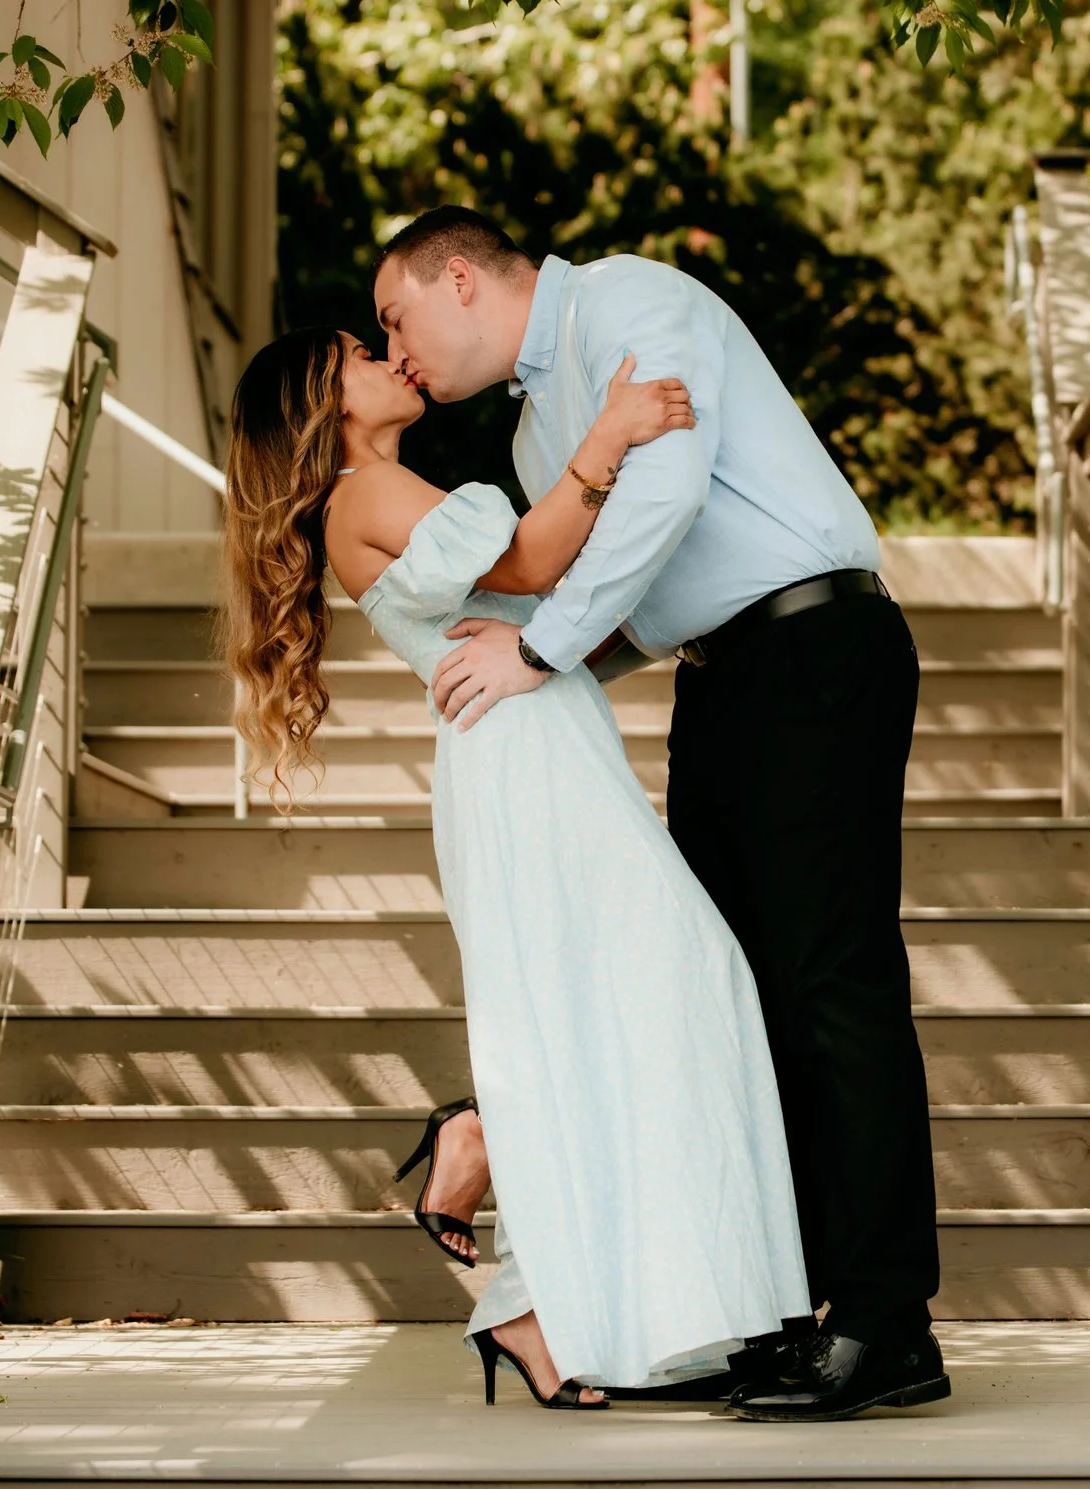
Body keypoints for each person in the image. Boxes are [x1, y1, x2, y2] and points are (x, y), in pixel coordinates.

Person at [374, 206, 949, 1422]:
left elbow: (669, 493)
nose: (397, 346)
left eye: (396, 316)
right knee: (739, 996)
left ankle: (891, 1324)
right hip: (722, 680)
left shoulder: (632, 302)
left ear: (461, 278)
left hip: (815, 646)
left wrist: (542, 645)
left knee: (832, 980)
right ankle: (791, 1308)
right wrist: (547, 662)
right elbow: (611, 592)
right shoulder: (540, 433)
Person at [221, 325, 812, 1411]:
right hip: (522, 761)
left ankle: (524, 1259)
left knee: (627, 999)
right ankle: (527, 1237)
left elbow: (548, 594)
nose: (395, 361)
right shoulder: (361, 495)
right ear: (326, 400)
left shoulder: (391, 489)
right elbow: (533, 562)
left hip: (540, 744)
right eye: (366, 353)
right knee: (683, 976)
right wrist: (612, 435)